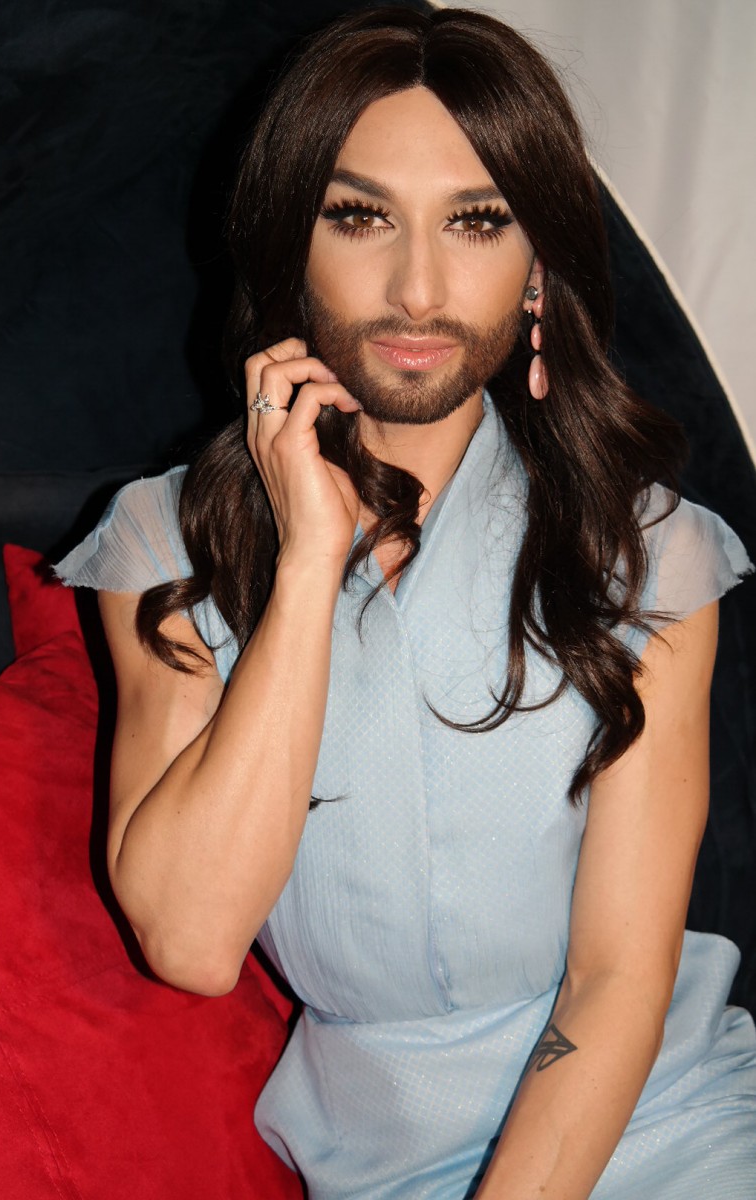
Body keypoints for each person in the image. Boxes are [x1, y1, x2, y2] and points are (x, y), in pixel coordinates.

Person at [55, 6, 756, 1198]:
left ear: (537, 269)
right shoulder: (163, 545)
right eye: (360, 215)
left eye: (476, 220)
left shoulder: (646, 556)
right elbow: (191, 939)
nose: (418, 288)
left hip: (660, 1125)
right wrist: (306, 566)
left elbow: (615, 984)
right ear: (291, 242)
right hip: (375, 1167)